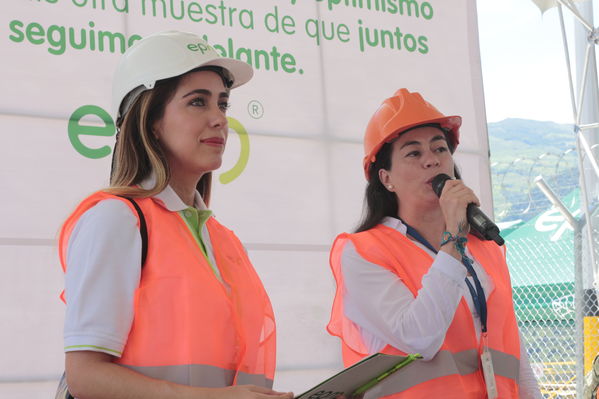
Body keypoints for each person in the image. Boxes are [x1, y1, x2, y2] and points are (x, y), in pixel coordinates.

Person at [57, 31, 293, 399]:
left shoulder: (219, 237)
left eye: (223, 104)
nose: (219, 119)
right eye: (198, 102)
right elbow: (85, 377)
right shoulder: (117, 219)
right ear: (150, 120)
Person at [326, 88, 542, 398]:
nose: (432, 161)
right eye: (414, 153)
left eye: (440, 149)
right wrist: (453, 238)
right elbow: (419, 338)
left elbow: (515, 356)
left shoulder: (484, 248)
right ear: (385, 179)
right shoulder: (363, 252)